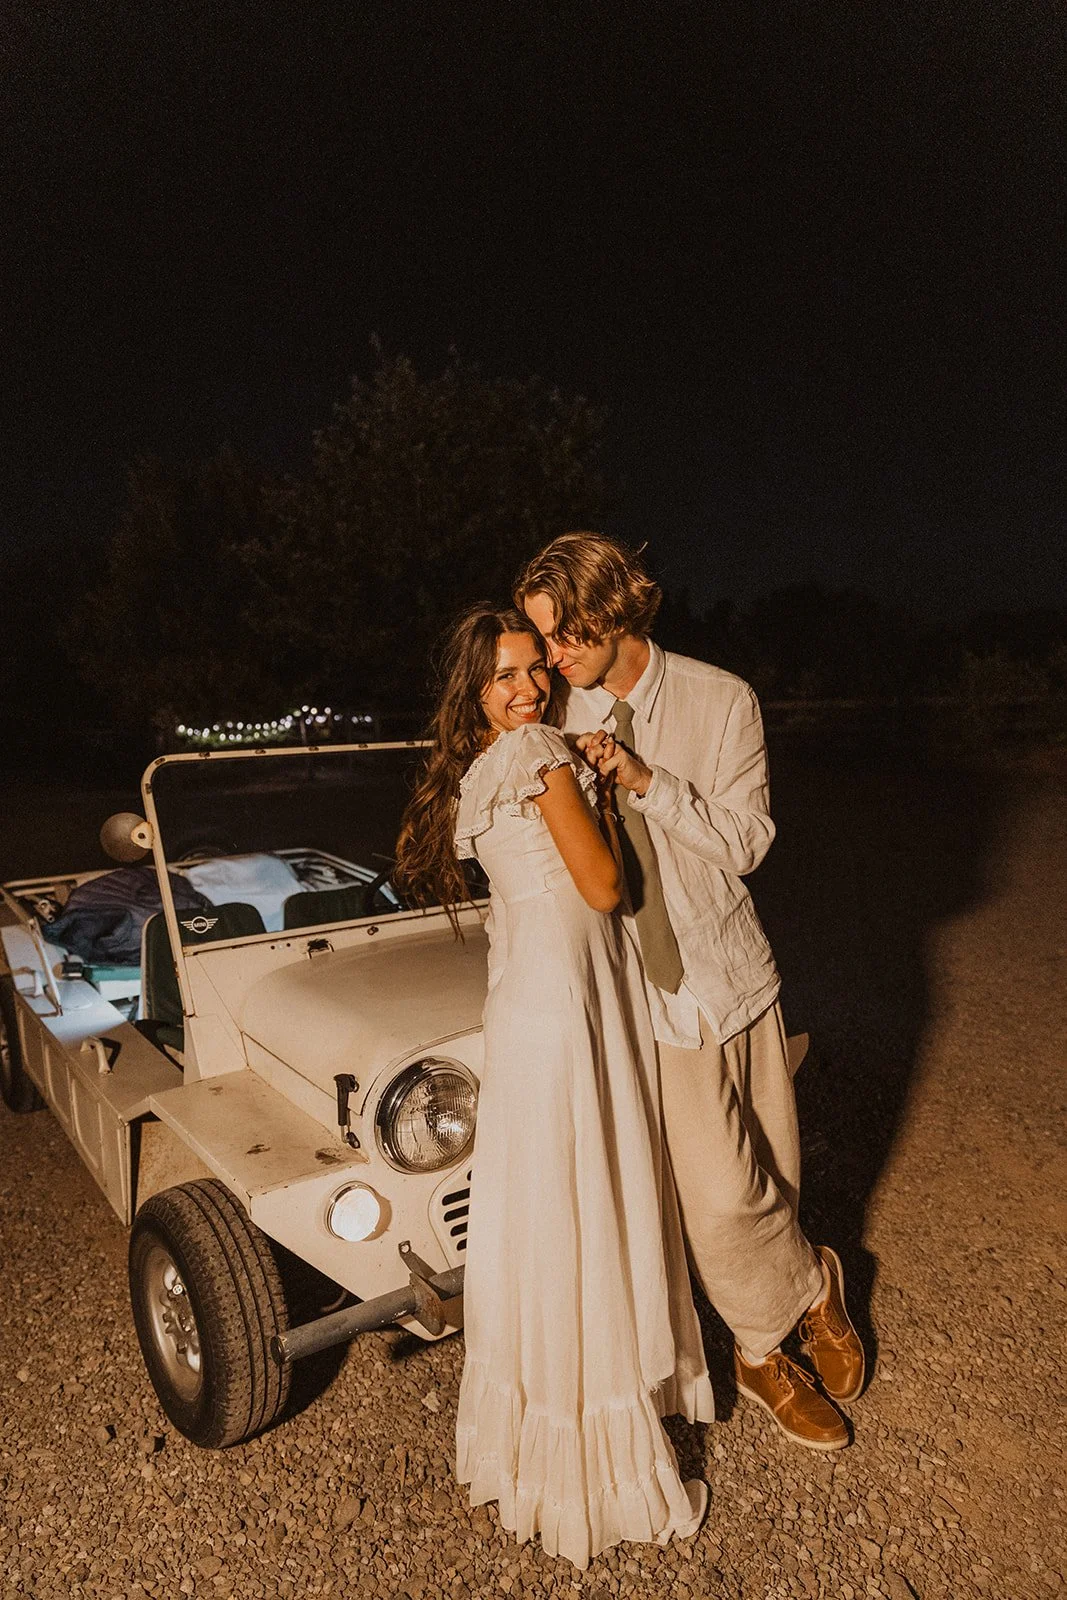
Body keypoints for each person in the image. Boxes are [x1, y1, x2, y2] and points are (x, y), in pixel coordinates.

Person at [516, 533, 865, 1452]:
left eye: (566, 636)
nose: (554, 657)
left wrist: (647, 783)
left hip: (731, 970)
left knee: (774, 1172)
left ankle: (801, 1284)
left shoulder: (720, 700)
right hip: (644, 991)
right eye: (545, 641)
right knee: (718, 1196)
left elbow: (747, 844)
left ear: (617, 611)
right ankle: (765, 1346)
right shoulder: (552, 711)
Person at [394, 603, 713, 1570]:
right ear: (474, 689)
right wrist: (598, 797)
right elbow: (605, 888)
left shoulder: (481, 770)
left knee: (547, 1209)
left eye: (534, 667)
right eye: (504, 674)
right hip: (569, 1005)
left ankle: (538, 1445)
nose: (527, 687)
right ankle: (601, 1464)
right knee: (588, 1196)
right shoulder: (533, 752)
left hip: (536, 1004)